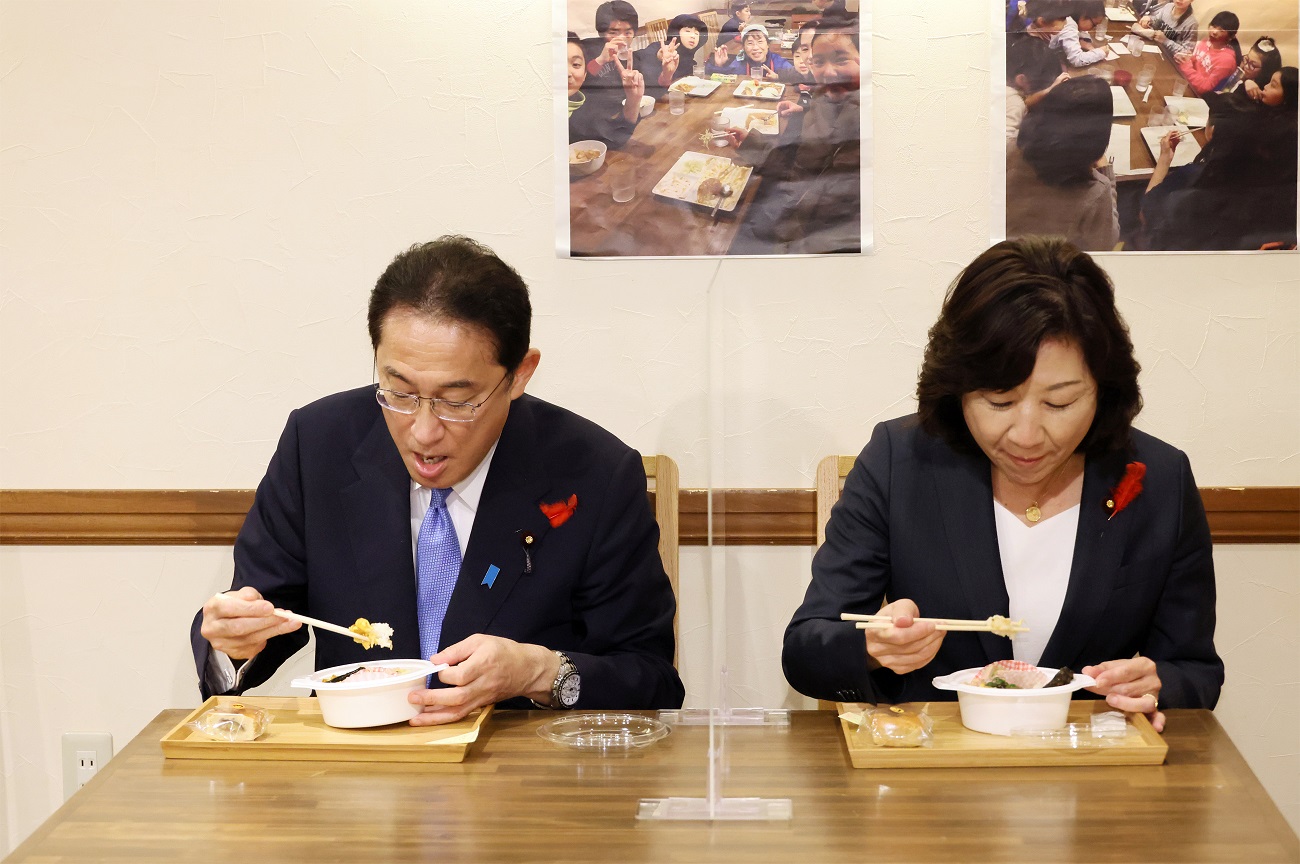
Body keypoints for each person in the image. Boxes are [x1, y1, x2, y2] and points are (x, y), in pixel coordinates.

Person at [193, 237, 685, 721]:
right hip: (356, 776)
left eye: (457, 400)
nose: (424, 432)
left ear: (519, 375)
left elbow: (651, 679)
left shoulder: (594, 471)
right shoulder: (319, 445)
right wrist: (234, 640)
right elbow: (259, 611)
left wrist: (540, 672)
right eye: (399, 392)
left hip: (522, 781)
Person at [783, 236, 1225, 730]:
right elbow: (806, 649)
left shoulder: (1158, 478)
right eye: (998, 402)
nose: (1027, 435)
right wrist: (870, 649)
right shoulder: (900, 461)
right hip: (935, 782)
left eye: (1059, 403)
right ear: (957, 389)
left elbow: (1195, 672)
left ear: (1104, 390)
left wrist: (1157, 686)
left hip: (1091, 782)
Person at [730, 16, 862, 255]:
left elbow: (842, 231)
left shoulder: (872, 128)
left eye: (841, 59)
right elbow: (799, 170)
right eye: (818, 61)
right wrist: (752, 144)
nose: (829, 72)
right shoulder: (823, 104)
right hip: (794, 213)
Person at [1141, 67, 1298, 250]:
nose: (1264, 87)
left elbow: (1145, 214)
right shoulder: (1256, 178)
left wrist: (1164, 160)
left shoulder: (1195, 176)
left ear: (1213, 130)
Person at [1006, 76, 1118, 251]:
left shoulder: (1009, 148)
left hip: (1003, 254)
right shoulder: (1095, 191)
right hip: (1047, 265)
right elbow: (1106, 242)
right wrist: (1107, 173)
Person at [567, 33, 644, 149]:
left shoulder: (584, 108)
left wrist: (633, 100)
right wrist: (601, 60)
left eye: (576, 64)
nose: (567, 73)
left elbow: (613, 137)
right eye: (614, 31)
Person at [1006, 1, 1069, 112]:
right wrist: (1052, 87)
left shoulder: (1023, 32)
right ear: (1041, 21)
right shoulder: (1040, 54)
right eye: (1062, 19)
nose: (1066, 23)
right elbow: (1025, 101)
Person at [634, 14, 708, 100]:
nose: (693, 36)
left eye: (696, 33)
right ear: (676, 33)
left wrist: (716, 65)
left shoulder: (690, 61)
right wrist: (657, 56)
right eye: (687, 31)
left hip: (677, 101)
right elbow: (639, 57)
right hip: (653, 104)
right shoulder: (661, 48)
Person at [1173, 11, 1240, 96]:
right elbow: (1195, 61)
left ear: (1231, 36)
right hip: (1186, 83)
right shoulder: (1205, 42)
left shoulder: (1227, 61)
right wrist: (1184, 58)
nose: (1214, 32)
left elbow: (1205, 88)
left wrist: (1185, 65)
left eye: (1221, 30)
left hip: (1196, 96)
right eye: (1214, 26)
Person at [582, 1, 641, 89]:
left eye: (627, 33)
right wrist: (600, 60)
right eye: (613, 33)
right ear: (602, 33)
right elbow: (578, 83)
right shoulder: (589, 49)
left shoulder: (635, 59)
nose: (621, 38)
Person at [707, 23, 794, 79]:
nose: (755, 47)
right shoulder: (739, 62)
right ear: (743, 48)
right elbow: (723, 79)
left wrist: (778, 77)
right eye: (750, 43)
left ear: (767, 45)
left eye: (760, 42)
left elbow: (797, 76)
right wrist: (719, 66)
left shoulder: (779, 62)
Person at [1049, 1, 1108, 67]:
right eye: (1094, 25)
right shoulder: (1069, 26)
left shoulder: (1072, 18)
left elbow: (1083, 32)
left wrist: (1088, 46)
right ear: (1084, 15)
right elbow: (1076, 60)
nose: (1094, 28)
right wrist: (1101, 52)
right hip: (1050, 62)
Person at [1133, 0, 1197, 57]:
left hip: (1168, 58)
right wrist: (1149, 18)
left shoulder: (1192, 24)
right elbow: (1157, 20)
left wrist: (1165, 41)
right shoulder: (1168, 6)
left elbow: (1187, 55)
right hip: (1153, 47)